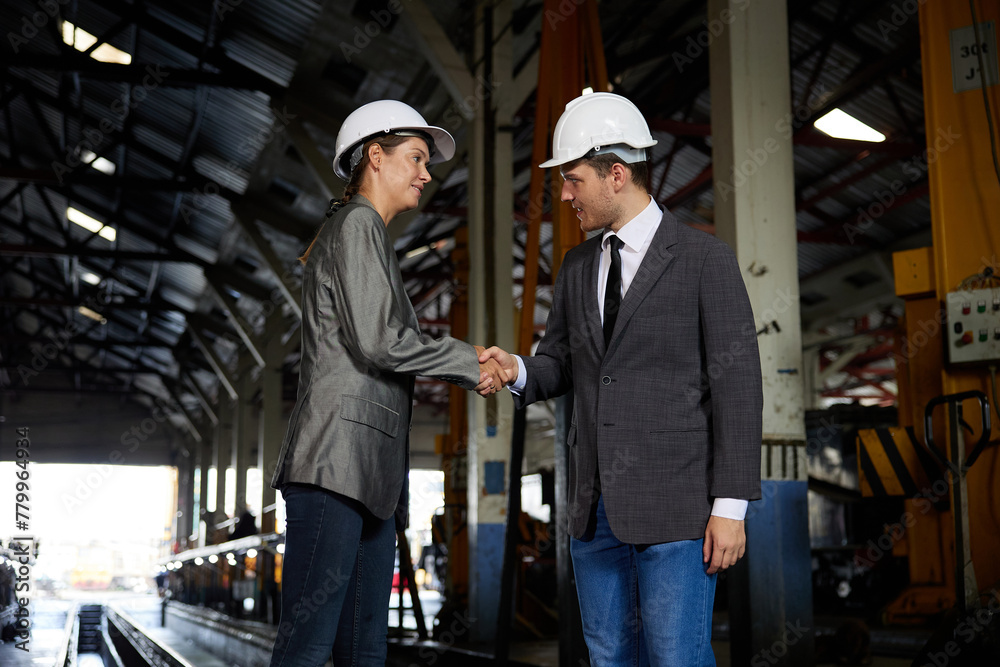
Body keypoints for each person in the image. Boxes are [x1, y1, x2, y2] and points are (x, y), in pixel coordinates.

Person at [479, 92, 762, 666]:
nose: (564, 195)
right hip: (594, 509)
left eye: (573, 180)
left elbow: (738, 388)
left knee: (676, 656)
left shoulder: (704, 260)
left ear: (616, 174)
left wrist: (730, 509)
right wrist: (517, 369)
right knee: (608, 656)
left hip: (678, 506)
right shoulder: (577, 266)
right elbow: (560, 362)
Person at [268, 99, 506, 667]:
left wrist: (467, 357)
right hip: (333, 465)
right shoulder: (357, 224)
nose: (426, 174)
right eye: (417, 158)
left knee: (364, 651)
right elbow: (380, 341)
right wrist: (470, 361)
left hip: (368, 474)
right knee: (307, 649)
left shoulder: (365, 231)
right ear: (376, 156)